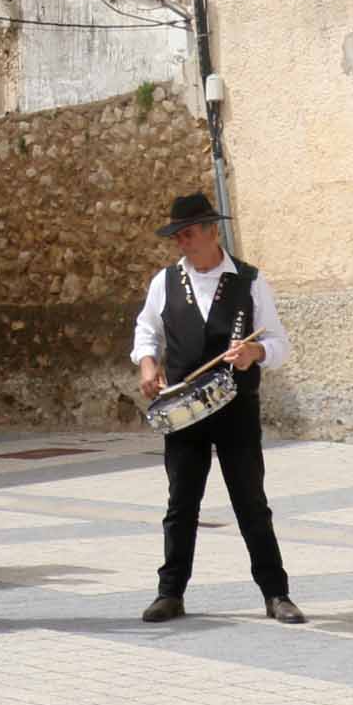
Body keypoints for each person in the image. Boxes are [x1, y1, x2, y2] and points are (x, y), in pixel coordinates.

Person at [133, 193, 307, 626]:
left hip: (236, 409)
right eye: (178, 235)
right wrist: (148, 364)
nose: (182, 242)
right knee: (181, 504)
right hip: (184, 409)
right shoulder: (165, 282)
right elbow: (146, 332)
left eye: (189, 233)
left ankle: (276, 593)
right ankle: (170, 592)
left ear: (213, 231)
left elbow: (280, 344)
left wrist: (255, 353)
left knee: (251, 501)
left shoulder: (249, 280)